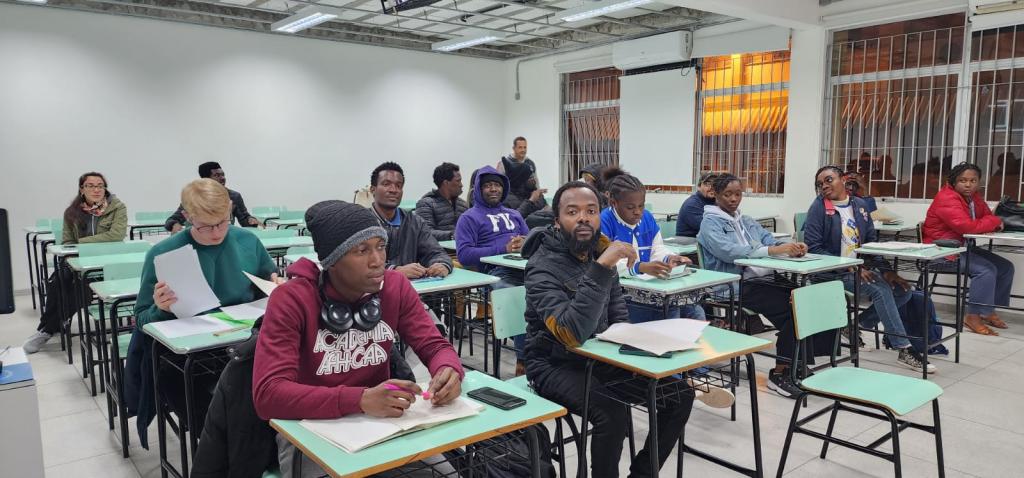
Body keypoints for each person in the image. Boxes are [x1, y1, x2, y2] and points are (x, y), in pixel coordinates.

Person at [253, 200, 464, 478]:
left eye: (381, 246)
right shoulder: (291, 300)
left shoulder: (395, 286)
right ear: (332, 261)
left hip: (383, 422)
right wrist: (360, 399)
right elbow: (268, 394)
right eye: (361, 250)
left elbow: (433, 345)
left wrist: (449, 369)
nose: (377, 260)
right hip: (311, 429)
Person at [521, 181, 693, 478]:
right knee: (612, 414)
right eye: (572, 212)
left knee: (679, 395)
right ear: (557, 220)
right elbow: (570, 334)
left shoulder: (599, 253)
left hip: (600, 358)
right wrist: (601, 267)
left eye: (591, 211)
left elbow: (618, 317)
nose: (583, 218)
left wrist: (640, 347)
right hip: (553, 363)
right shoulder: (542, 267)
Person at [123, 178, 281, 447]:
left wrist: (277, 287)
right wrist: (160, 309)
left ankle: (255, 449)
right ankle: (223, 451)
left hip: (243, 344)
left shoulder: (247, 241)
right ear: (187, 217)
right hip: (188, 355)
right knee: (207, 408)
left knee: (261, 395)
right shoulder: (165, 254)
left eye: (223, 222)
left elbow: (270, 283)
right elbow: (141, 320)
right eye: (206, 226)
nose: (217, 233)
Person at [698, 174, 823, 398]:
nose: (733, 199)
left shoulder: (744, 220)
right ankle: (781, 372)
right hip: (735, 285)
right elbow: (728, 252)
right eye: (727, 194)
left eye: (738, 194)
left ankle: (796, 364)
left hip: (761, 279)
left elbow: (767, 239)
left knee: (805, 299)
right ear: (715, 195)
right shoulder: (709, 223)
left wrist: (790, 246)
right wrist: (772, 250)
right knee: (792, 309)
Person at [804, 166, 935, 373]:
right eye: (820, 184)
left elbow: (871, 243)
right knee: (880, 290)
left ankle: (852, 326)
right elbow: (814, 248)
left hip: (857, 269)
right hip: (830, 272)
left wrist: (887, 271)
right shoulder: (818, 208)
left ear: (843, 179)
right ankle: (904, 349)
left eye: (829, 180)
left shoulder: (860, 205)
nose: (824, 186)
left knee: (903, 290)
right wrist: (849, 266)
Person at [23, 172, 128, 353]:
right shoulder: (71, 212)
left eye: (100, 186)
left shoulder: (117, 207)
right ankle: (48, 326)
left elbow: (116, 236)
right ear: (82, 189)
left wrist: (82, 243)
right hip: (79, 261)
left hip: (107, 264)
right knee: (57, 282)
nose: (96, 190)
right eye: (90, 186)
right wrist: (74, 257)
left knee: (82, 290)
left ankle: (48, 329)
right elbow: (67, 242)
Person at [598, 167, 706, 323]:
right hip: (622, 295)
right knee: (670, 310)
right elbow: (606, 263)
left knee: (695, 312)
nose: (638, 212)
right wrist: (640, 267)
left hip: (652, 289)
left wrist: (669, 258)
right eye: (630, 207)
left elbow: (656, 248)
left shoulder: (647, 218)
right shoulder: (604, 221)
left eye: (641, 206)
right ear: (614, 203)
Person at [922, 162, 1014, 336]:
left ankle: (987, 310)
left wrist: (990, 221)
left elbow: (986, 216)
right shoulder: (947, 198)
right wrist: (995, 222)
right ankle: (973, 316)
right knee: (986, 270)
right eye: (963, 180)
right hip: (941, 252)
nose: (968, 184)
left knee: (1005, 267)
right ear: (953, 181)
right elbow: (967, 227)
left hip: (962, 248)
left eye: (973, 181)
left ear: (978, 182)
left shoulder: (973, 197)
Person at [455, 166, 531, 373]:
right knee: (519, 298)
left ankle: (548, 355)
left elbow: (531, 241)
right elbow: (464, 255)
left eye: (497, 185)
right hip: (492, 275)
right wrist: (502, 249)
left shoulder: (514, 214)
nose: (493, 189)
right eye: (488, 185)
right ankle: (524, 361)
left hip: (523, 269)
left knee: (551, 292)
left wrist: (524, 243)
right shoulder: (469, 218)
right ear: (479, 189)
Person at [368, 162, 453, 279]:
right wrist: (395, 270)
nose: (393, 190)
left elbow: (435, 252)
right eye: (386, 184)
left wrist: (441, 265)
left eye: (398, 185)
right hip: (374, 288)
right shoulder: (362, 223)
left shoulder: (415, 222)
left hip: (414, 287)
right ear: (373, 190)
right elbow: (360, 263)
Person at [165, 161, 260, 232]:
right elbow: (171, 220)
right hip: (199, 241)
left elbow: (244, 219)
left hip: (225, 238)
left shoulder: (234, 196)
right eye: (217, 175)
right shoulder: (193, 197)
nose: (222, 178)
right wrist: (174, 225)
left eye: (223, 175)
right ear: (206, 179)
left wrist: (251, 220)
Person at [415, 162, 469, 242]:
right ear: (446, 183)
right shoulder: (425, 204)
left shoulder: (463, 204)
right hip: (438, 248)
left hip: (463, 247)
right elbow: (425, 232)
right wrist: (451, 235)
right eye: (458, 181)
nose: (461, 185)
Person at [497, 136, 547, 217]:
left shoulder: (530, 163)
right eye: (520, 147)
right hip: (512, 198)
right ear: (514, 148)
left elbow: (535, 180)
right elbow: (500, 183)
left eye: (525, 147)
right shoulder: (505, 164)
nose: (523, 150)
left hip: (527, 197)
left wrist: (537, 191)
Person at [676, 172, 720, 238]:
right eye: (707, 184)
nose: (711, 187)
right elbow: (709, 227)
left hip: (706, 239)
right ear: (699, 187)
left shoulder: (715, 201)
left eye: (715, 184)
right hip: (688, 241)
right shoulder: (692, 204)